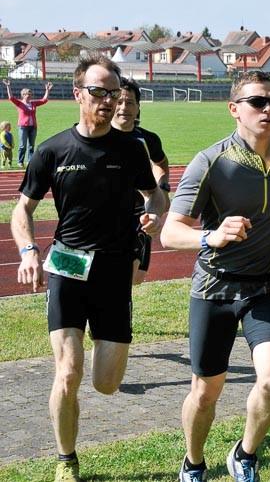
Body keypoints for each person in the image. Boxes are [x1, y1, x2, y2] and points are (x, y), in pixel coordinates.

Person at [11, 56, 167, 482]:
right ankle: (66, 460)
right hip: (67, 263)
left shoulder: (131, 149)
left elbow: (155, 196)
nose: (109, 100)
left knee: (106, 384)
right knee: (68, 371)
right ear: (78, 94)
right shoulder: (52, 150)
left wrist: (155, 214)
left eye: (114, 93)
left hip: (115, 270)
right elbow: (22, 210)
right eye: (99, 92)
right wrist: (28, 250)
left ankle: (104, 357)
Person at [160, 70, 270, 482]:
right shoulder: (211, 162)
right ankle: (193, 461)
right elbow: (170, 233)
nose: (268, 109)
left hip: (269, 284)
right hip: (216, 286)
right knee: (205, 391)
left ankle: (245, 453)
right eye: (258, 102)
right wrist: (211, 235)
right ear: (234, 109)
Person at [112, 77, 171, 285]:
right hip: (105, 218)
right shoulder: (97, 138)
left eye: (129, 102)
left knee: (135, 278)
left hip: (140, 216)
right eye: (119, 101)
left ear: (138, 107)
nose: (123, 108)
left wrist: (163, 188)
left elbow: (161, 162)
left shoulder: (147, 139)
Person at [3, 78, 52, 167]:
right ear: (23, 95)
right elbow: (11, 98)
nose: (29, 96)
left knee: (31, 146)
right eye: (27, 94)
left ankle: (30, 161)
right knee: (22, 145)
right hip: (23, 127)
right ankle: (20, 161)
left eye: (30, 94)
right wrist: (8, 86)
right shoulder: (19, 103)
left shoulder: (33, 103)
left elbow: (44, 100)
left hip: (33, 127)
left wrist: (47, 90)